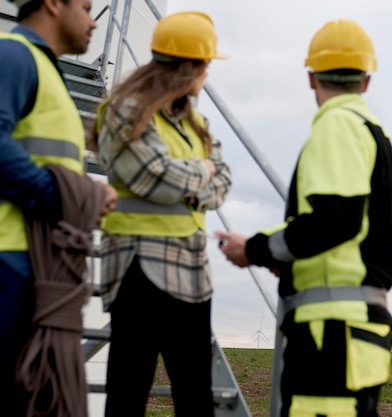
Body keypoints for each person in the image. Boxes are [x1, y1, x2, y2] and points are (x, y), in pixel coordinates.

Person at [216, 18, 392, 417]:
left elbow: (333, 222)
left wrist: (254, 250)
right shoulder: (380, 141)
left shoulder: (336, 126)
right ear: (367, 81)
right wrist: (286, 257)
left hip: (327, 337)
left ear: (311, 78)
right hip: (362, 336)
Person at [93, 10, 232, 417]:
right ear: (189, 67)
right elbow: (154, 176)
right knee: (128, 393)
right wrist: (201, 174)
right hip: (138, 267)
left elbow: (223, 184)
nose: (207, 75)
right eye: (205, 66)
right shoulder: (125, 111)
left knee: (195, 398)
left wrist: (195, 179)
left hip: (191, 271)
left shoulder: (196, 123)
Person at [0, 0, 117, 415]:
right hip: (10, 263)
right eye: (86, 8)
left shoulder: (47, 73)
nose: (94, 22)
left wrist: (85, 194)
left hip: (38, 267)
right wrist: (69, 198)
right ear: (53, 4)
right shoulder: (13, 55)